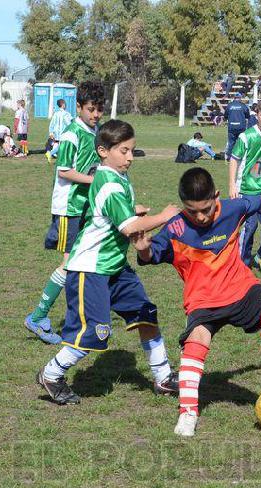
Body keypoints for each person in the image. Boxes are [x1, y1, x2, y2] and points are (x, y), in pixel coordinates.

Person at [133, 167, 261, 436]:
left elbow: (258, 200)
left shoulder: (231, 208)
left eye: (205, 208)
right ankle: (188, 413)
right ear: (183, 206)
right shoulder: (175, 228)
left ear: (215, 196)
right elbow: (150, 256)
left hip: (241, 288)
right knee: (196, 342)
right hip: (203, 300)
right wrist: (143, 248)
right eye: (192, 211)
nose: (200, 217)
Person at [35, 119, 182, 405]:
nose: (129, 157)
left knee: (145, 313)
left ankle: (163, 377)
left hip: (115, 266)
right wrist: (163, 217)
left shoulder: (115, 176)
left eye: (132, 151)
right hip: (90, 269)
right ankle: (51, 374)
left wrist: (133, 212)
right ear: (103, 151)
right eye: (124, 151)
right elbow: (128, 228)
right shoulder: (109, 183)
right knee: (95, 332)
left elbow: (117, 216)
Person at [24, 81, 105, 342]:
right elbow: (64, 171)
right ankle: (38, 316)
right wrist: (95, 181)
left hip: (86, 207)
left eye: (99, 109)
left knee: (85, 261)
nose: (95, 114)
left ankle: (80, 315)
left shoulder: (95, 131)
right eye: (91, 109)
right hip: (68, 208)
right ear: (78, 107)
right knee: (71, 263)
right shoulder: (72, 134)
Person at [228, 97, 261, 273]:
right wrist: (232, 185)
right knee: (250, 226)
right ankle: (241, 263)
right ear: (256, 115)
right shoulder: (246, 136)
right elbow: (234, 160)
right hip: (246, 188)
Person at [45, 98, 73, 164]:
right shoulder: (66, 114)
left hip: (56, 134)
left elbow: (52, 123)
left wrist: (51, 132)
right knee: (63, 146)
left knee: (60, 146)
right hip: (63, 133)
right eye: (65, 104)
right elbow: (68, 123)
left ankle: (52, 154)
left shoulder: (55, 114)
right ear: (63, 105)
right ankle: (51, 153)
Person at [224, 93, 249, 163]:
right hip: (241, 127)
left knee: (231, 142)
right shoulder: (243, 106)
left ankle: (229, 157)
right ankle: (241, 156)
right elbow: (247, 115)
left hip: (231, 127)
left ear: (234, 98)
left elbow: (225, 115)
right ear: (240, 98)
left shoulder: (229, 105)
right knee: (242, 142)